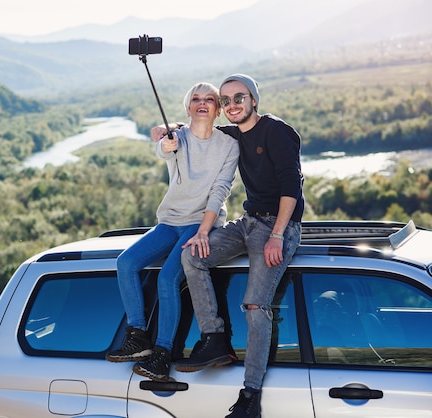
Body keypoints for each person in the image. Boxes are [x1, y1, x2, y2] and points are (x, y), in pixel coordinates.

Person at [152, 74, 304, 418]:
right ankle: (215, 338)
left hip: (278, 227)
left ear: (254, 100)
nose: (233, 105)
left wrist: (278, 234)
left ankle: (250, 396)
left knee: (254, 304)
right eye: (226, 101)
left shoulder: (276, 131)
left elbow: (291, 188)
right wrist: (163, 132)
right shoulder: (233, 133)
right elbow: (190, 125)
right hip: (248, 222)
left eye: (240, 98)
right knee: (192, 255)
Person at [106, 82, 240, 382]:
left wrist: (204, 231)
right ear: (188, 107)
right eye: (195, 98)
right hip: (170, 221)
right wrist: (163, 143)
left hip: (199, 222)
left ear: (218, 109)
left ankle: (162, 353)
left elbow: (220, 190)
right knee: (126, 263)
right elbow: (164, 147)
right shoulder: (176, 137)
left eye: (209, 99)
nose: (202, 103)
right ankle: (138, 335)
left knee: (168, 278)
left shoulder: (229, 145)